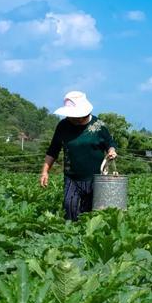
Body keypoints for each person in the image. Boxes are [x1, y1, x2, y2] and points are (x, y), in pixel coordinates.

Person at [39, 91, 117, 220]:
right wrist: (45, 172)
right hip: (72, 178)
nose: (72, 118)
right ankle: (71, 236)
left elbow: (110, 143)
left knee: (93, 213)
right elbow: (53, 150)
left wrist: (111, 150)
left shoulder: (99, 126)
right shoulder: (63, 126)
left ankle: (87, 238)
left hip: (96, 179)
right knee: (70, 207)